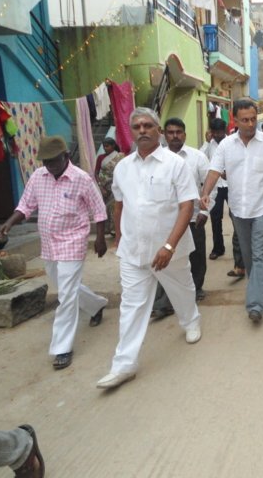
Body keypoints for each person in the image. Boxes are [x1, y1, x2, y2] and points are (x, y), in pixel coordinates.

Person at [97, 107, 202, 390]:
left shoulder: (175, 164)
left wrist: (169, 245)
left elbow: (187, 206)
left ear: (158, 130)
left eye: (147, 125)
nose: (142, 130)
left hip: (170, 250)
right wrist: (119, 237)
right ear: (131, 132)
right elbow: (119, 205)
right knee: (131, 306)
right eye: (137, 126)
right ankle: (124, 365)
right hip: (133, 250)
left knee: (182, 289)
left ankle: (191, 321)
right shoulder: (122, 167)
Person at [0, 136, 108, 371]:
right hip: (49, 244)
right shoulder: (39, 177)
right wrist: (8, 223)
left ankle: (62, 348)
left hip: (73, 242)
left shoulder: (81, 179)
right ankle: (96, 305)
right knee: (67, 286)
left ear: (66, 156)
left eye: (53, 161)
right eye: (45, 162)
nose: (49, 166)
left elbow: (99, 210)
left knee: (66, 296)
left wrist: (100, 239)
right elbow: (25, 205)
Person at [201, 99, 263, 323]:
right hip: (238, 209)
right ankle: (255, 285)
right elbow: (214, 170)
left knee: (260, 256)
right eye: (245, 120)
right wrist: (206, 192)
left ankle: (255, 305)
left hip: (262, 208)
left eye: (252, 119)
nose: (250, 124)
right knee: (248, 255)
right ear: (236, 120)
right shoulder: (226, 145)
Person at [151, 117, 213, 319]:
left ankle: (197, 288)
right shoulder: (156, 159)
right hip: (166, 219)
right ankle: (164, 301)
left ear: (184, 135)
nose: (175, 136)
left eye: (178, 132)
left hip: (194, 216)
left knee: (196, 255)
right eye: (171, 132)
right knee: (166, 258)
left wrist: (204, 211)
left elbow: (208, 186)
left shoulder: (197, 157)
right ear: (164, 134)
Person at [200, 119, 245, 278]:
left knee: (236, 218)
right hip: (216, 187)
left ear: (224, 130)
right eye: (214, 132)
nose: (217, 135)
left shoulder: (232, 143)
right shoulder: (208, 145)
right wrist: (207, 142)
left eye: (219, 132)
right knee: (215, 217)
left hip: (231, 186)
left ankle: (240, 255)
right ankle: (218, 248)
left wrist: (229, 173)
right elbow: (202, 159)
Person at [95, 137, 124, 236]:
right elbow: (96, 173)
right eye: (104, 146)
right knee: (105, 208)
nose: (105, 148)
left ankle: (114, 229)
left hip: (117, 186)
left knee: (115, 207)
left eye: (107, 146)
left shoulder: (120, 156)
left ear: (113, 146)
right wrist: (101, 187)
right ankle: (107, 228)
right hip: (105, 188)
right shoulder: (100, 157)